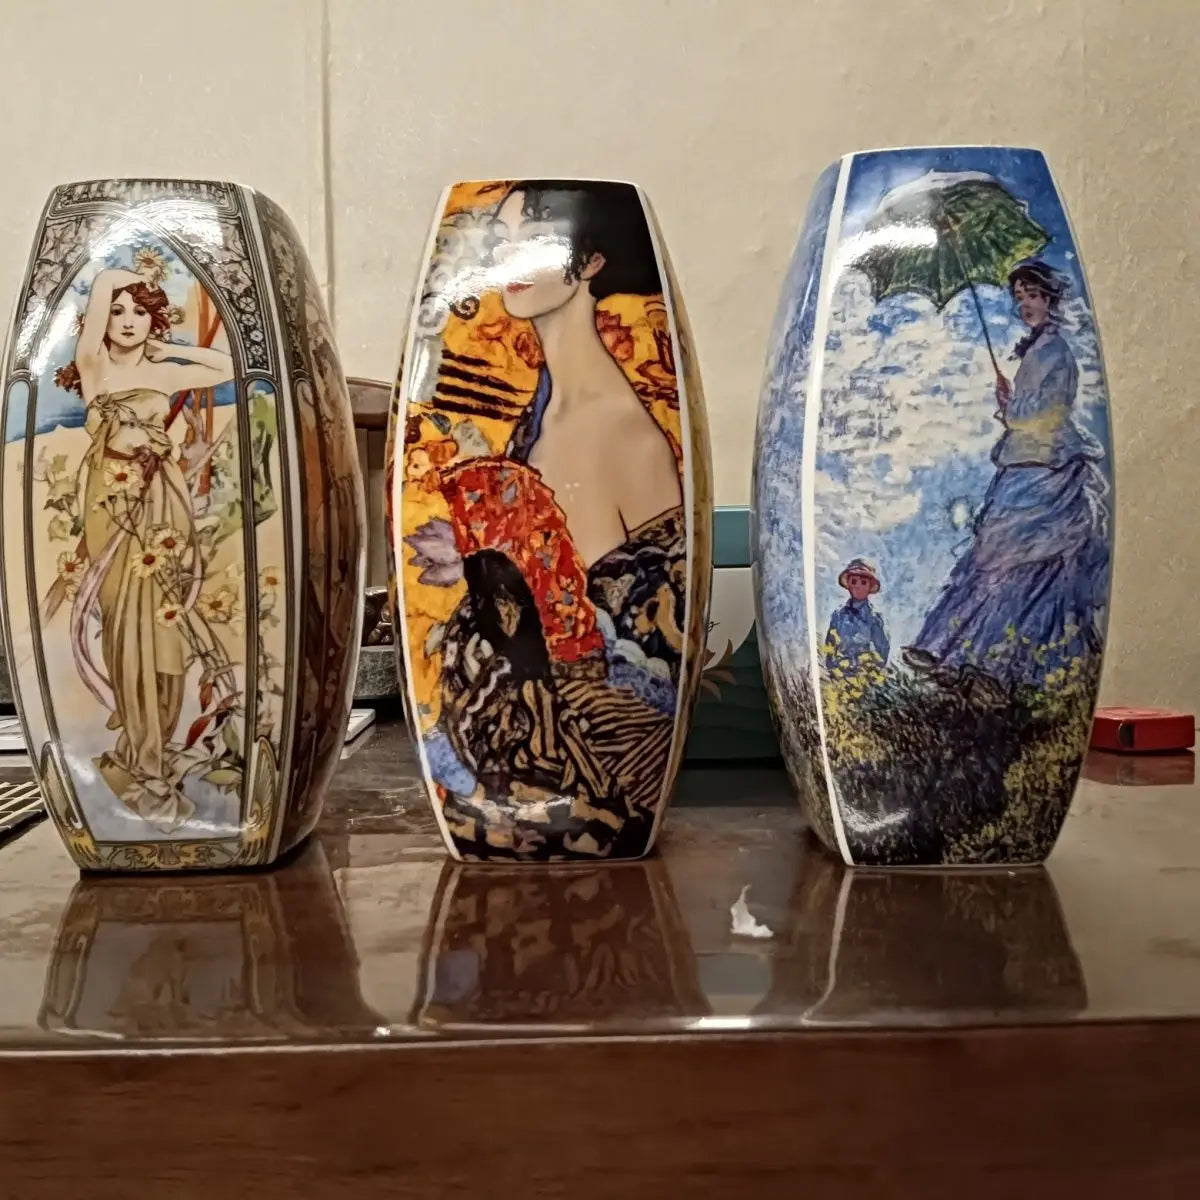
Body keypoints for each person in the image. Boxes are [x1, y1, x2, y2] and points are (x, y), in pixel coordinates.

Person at [57, 266, 234, 822]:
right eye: (117, 311)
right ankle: (142, 755)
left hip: (162, 500)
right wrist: (118, 277)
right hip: (111, 502)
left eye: (139, 311)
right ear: (102, 320)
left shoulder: (160, 373)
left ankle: (156, 745)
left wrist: (168, 348)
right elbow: (101, 286)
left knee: (164, 623)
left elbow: (227, 367)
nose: (128, 321)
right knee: (126, 624)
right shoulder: (96, 367)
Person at [903, 260, 1108, 694]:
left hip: (1046, 469)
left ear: (1049, 299)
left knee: (1023, 564)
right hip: (1023, 463)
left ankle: (992, 665)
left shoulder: (1056, 352)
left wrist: (1011, 406)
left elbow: (1046, 412)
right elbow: (1028, 410)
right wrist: (1011, 401)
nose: (1024, 305)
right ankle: (949, 650)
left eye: (1031, 295)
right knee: (991, 559)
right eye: (1018, 297)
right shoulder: (1037, 350)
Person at [825, 558, 889, 676]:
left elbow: (882, 649)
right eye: (854, 581)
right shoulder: (838, 616)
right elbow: (830, 647)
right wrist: (834, 671)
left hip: (865, 676)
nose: (858, 586)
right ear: (848, 584)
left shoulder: (874, 618)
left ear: (870, 587)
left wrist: (871, 671)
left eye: (863, 583)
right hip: (839, 675)